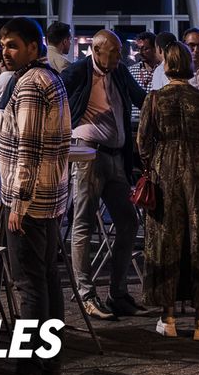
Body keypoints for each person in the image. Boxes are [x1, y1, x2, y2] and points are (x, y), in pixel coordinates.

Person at [0, 17, 71, 375]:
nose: (4, 52)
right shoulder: (50, 78)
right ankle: (49, 365)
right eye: (3, 45)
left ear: (33, 46)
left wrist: (18, 203)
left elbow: (28, 146)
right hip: (51, 197)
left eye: (11, 45)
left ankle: (27, 369)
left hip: (31, 200)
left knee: (29, 285)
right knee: (47, 279)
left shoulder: (29, 84)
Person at [138, 41, 199, 341]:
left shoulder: (154, 99)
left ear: (166, 65)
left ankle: (169, 317)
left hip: (164, 172)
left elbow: (143, 143)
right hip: (198, 171)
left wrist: (155, 162)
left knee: (165, 240)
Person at [60, 29, 145, 320]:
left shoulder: (119, 71)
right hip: (87, 154)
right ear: (97, 51)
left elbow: (141, 98)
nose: (121, 56)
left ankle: (118, 293)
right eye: (115, 51)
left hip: (116, 157)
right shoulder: (76, 72)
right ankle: (85, 294)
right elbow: (54, 99)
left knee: (128, 221)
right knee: (83, 222)